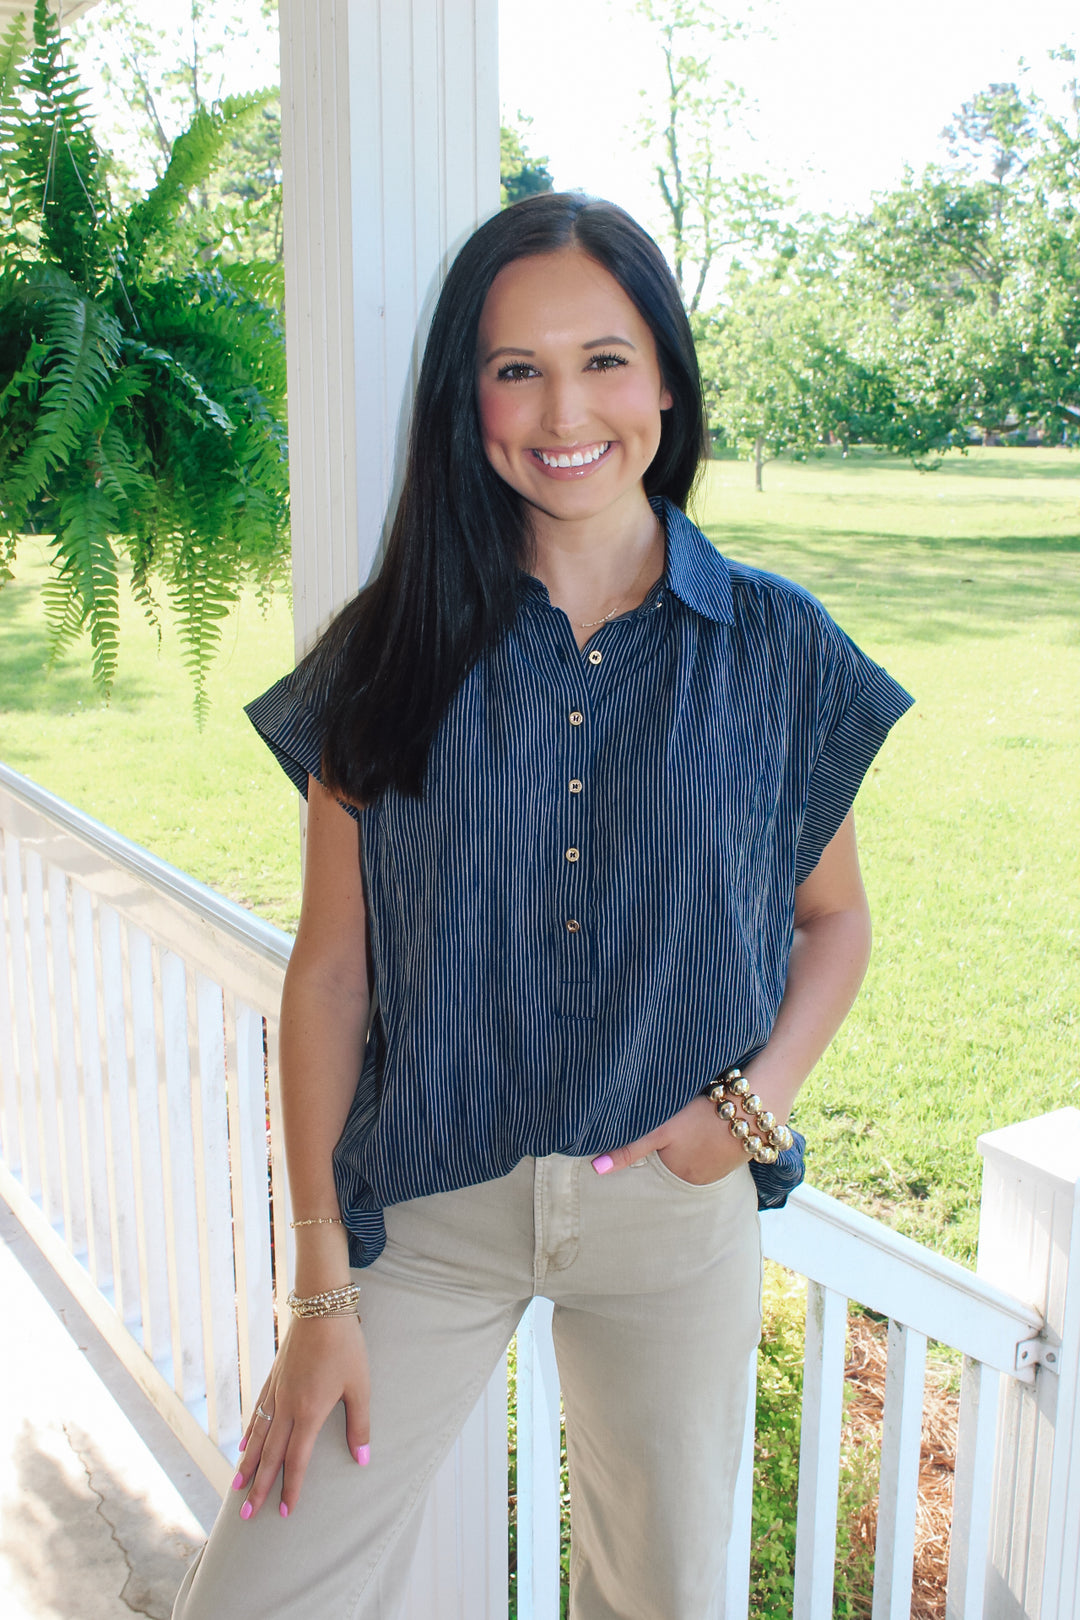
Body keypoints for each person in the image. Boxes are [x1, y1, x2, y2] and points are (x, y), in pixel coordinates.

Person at [172, 192, 912, 1620]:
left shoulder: (777, 649)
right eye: (517, 368)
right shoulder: (390, 650)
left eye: (605, 358)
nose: (563, 408)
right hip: (428, 1211)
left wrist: (747, 1115)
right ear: (471, 397)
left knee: (667, 1601)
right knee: (259, 1594)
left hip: (673, 1220)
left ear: (669, 379)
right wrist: (317, 1287)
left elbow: (838, 922)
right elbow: (332, 978)